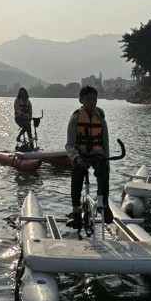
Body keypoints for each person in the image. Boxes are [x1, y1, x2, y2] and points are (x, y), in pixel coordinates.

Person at [64, 85, 112, 226]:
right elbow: (69, 145)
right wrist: (77, 158)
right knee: (77, 173)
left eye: (94, 99)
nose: (91, 102)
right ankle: (75, 211)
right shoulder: (75, 118)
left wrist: (107, 161)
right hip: (81, 155)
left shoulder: (101, 119)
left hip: (98, 155)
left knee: (104, 173)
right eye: (88, 99)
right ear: (81, 100)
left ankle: (104, 205)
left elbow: (105, 142)